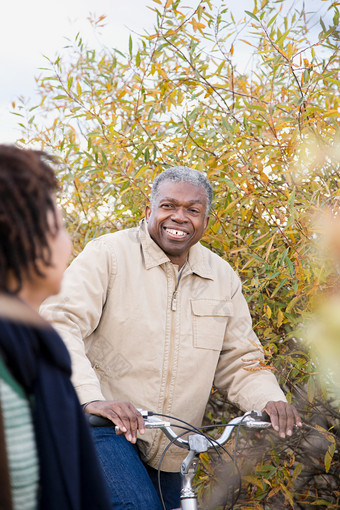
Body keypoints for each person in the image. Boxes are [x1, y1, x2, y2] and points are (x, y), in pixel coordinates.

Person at [40, 166, 302, 510]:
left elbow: (240, 360)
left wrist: (269, 399)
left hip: (171, 446)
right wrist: (90, 399)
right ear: (149, 211)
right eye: (168, 206)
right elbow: (58, 323)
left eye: (192, 210)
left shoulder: (221, 277)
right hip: (100, 426)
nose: (179, 218)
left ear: (205, 221)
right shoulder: (108, 254)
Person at [0, 145, 110, 510]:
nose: (70, 243)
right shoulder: (13, 362)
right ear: (26, 237)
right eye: (61, 227)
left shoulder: (31, 351)